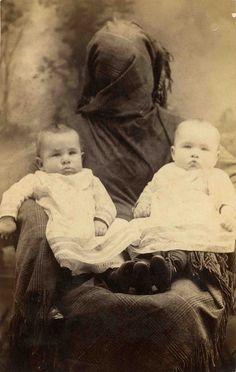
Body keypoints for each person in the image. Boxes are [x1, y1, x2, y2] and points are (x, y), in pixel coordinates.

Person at [7, 20, 236, 372]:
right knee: (94, 303)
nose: (123, 87)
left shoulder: (176, 128)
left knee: (180, 308)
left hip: (168, 231)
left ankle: (156, 274)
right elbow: (33, 181)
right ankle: (126, 277)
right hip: (97, 238)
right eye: (113, 77)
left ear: (148, 70)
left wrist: (223, 202)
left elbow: (223, 170)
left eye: (131, 76)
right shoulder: (73, 134)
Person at [0, 124, 135, 277]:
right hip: (64, 228)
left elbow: (106, 203)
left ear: (81, 157)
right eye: (56, 155)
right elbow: (14, 193)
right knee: (64, 248)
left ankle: (121, 274)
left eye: (72, 153)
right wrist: (7, 217)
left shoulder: (90, 178)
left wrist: (101, 220)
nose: (66, 160)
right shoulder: (39, 178)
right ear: (41, 164)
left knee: (122, 228)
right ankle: (80, 276)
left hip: (93, 228)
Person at [127, 119, 236, 294]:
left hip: (194, 223)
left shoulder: (214, 175)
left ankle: (168, 270)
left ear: (216, 157)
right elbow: (150, 190)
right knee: (138, 233)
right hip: (163, 222)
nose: (195, 154)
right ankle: (142, 269)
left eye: (203, 149)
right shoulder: (166, 172)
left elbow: (225, 197)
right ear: (173, 152)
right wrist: (143, 204)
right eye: (187, 147)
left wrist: (227, 213)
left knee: (184, 248)